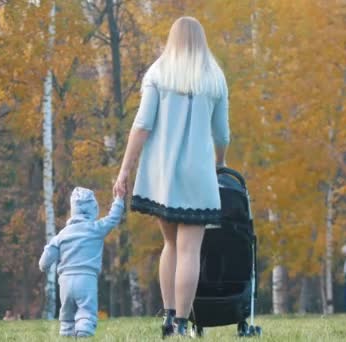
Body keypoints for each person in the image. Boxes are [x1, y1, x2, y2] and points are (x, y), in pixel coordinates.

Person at [113, 16, 230, 338]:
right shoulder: (215, 78)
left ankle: (168, 317)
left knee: (170, 244)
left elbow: (142, 126)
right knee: (190, 250)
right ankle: (181, 322)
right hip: (199, 174)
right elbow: (222, 134)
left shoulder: (158, 73)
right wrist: (220, 165)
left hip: (162, 174)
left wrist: (125, 170)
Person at [39, 187, 124, 337]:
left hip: (64, 281)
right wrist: (119, 199)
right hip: (86, 278)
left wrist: (43, 265)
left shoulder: (63, 234)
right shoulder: (96, 228)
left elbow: (49, 251)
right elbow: (113, 218)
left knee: (67, 315)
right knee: (86, 311)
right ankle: (84, 332)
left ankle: (66, 332)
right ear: (93, 209)